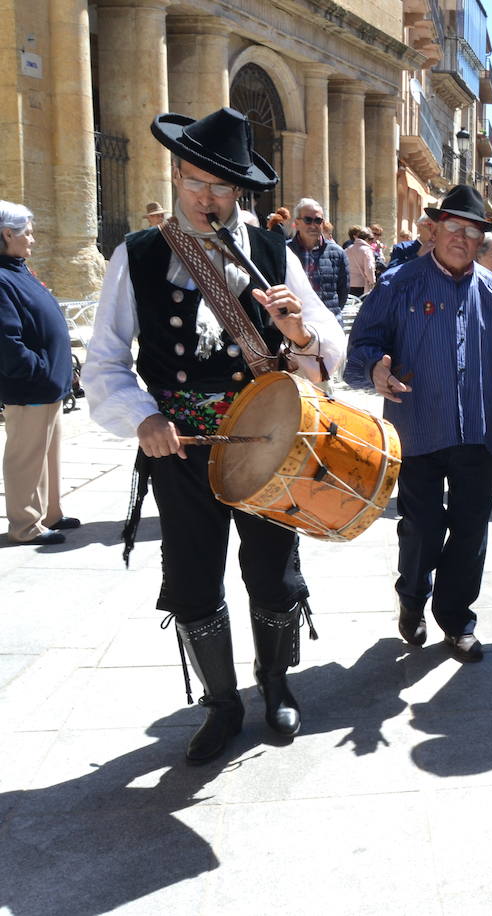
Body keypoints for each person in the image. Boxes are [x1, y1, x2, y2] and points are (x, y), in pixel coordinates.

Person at [83, 107, 345, 763]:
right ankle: (223, 705)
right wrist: (142, 418)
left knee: (274, 574)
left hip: (267, 446)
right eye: (194, 181)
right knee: (195, 578)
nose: (205, 198)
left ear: (240, 192)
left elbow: (328, 347)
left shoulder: (271, 252)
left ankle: (276, 684)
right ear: (176, 175)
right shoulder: (138, 254)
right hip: (180, 452)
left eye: (220, 187)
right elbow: (106, 359)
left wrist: (300, 336)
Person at [344, 184, 492, 664]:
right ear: (434, 229)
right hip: (417, 428)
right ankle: (413, 598)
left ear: (483, 238)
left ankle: (456, 617)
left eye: (473, 230)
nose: (462, 238)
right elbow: (358, 353)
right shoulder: (399, 284)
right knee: (419, 527)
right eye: (454, 228)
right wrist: (375, 366)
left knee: (470, 529)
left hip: (479, 431)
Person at [0, 201, 78, 545]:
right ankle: (24, 525)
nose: (32, 239)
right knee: (25, 458)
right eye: (27, 233)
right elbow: (7, 340)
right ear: (7, 234)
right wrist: (40, 370)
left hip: (49, 385)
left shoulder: (17, 269)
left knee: (47, 455)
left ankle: (50, 513)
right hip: (30, 386)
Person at [286, 198, 349, 319]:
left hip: (329, 322)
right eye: (308, 220)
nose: (313, 225)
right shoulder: (284, 251)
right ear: (297, 223)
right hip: (295, 322)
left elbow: (343, 292)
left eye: (318, 220)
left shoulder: (337, 252)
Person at [344, 226, 375, 298]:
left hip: (349, 283)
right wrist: (372, 282)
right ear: (366, 239)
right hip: (362, 285)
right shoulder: (367, 250)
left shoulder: (348, 249)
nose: (372, 242)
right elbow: (369, 268)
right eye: (371, 239)